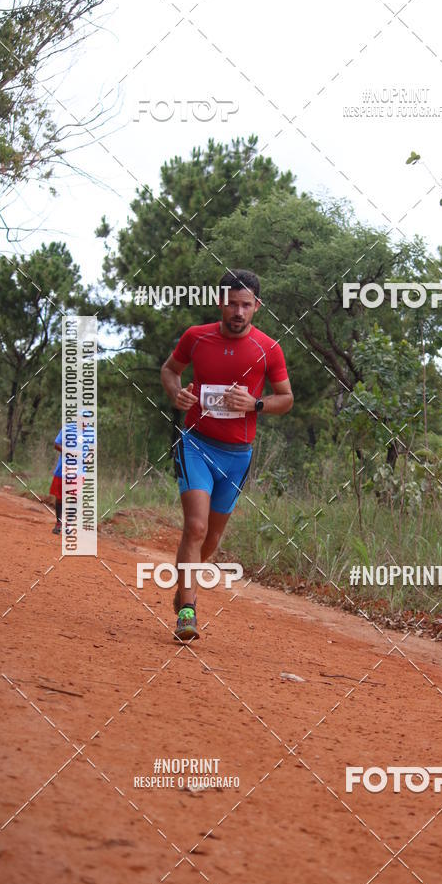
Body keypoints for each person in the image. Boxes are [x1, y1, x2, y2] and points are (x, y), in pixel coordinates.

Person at [160, 269, 293, 640]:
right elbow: (170, 371)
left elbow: (286, 399)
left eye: (245, 305)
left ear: (256, 307)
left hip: (238, 455)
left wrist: (257, 403)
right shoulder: (196, 337)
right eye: (232, 303)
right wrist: (176, 394)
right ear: (220, 302)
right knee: (196, 526)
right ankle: (188, 608)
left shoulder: (269, 348)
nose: (238, 311)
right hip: (196, 443)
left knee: (212, 539)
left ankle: (184, 583)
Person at [49, 429, 63, 534]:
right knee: (60, 498)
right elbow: (56, 444)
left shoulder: (89, 434)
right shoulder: (67, 429)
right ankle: (59, 523)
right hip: (62, 470)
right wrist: (69, 452)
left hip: (79, 472)